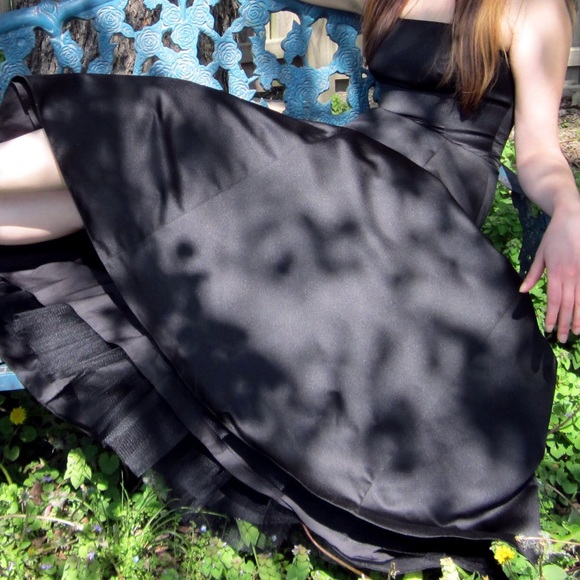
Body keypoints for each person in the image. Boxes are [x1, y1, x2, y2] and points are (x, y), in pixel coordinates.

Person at [0, 0, 577, 575]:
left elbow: (538, 151)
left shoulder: (532, 9)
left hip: (421, 212)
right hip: (348, 169)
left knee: (163, 123)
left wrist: (569, 208)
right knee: (151, 158)